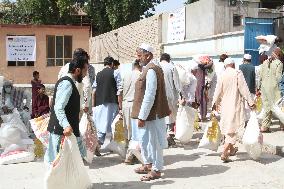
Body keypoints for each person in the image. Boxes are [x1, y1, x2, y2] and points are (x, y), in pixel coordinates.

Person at [131, 43, 170, 181]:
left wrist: (142, 116)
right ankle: (148, 164)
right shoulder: (148, 68)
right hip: (149, 114)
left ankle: (156, 170)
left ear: (148, 55)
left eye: (140, 55)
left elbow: (150, 95)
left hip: (151, 114)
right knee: (146, 140)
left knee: (154, 142)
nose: (138, 58)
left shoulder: (152, 70)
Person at [45, 56, 88, 164]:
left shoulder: (71, 83)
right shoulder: (67, 83)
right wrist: (66, 125)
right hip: (61, 131)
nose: (86, 74)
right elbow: (58, 107)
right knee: (56, 164)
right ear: (77, 70)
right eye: (85, 70)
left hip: (68, 130)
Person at [212, 57, 255, 162]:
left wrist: (214, 104)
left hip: (225, 106)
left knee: (228, 128)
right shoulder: (237, 73)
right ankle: (225, 151)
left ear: (225, 65)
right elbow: (244, 89)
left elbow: (217, 91)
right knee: (232, 129)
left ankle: (231, 150)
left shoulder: (222, 74)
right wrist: (251, 102)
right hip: (235, 105)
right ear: (233, 64)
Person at [92, 56, 122, 151]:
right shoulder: (116, 73)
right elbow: (119, 90)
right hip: (112, 103)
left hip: (99, 104)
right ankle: (113, 146)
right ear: (112, 64)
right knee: (113, 125)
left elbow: (94, 92)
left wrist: (93, 106)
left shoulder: (98, 74)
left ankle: (98, 145)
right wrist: (120, 105)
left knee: (101, 127)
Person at [122, 59, 142, 164]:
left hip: (125, 104)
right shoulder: (141, 75)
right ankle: (130, 155)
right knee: (135, 132)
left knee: (127, 131)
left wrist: (120, 106)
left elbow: (119, 91)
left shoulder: (126, 74)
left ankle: (129, 153)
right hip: (136, 105)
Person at [259, 48, 284, 132]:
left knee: (267, 108)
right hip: (274, 89)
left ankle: (264, 127)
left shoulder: (265, 62)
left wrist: (259, 88)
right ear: (279, 55)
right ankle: (282, 125)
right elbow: (279, 78)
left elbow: (260, 77)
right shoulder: (279, 63)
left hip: (264, 88)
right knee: (279, 108)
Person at [159, 53, 181, 146]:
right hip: (170, 95)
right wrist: (181, 95)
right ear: (168, 59)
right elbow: (177, 83)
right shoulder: (172, 67)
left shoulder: (156, 67)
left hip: (159, 95)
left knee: (162, 116)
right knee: (171, 116)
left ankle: (162, 137)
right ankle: (169, 135)